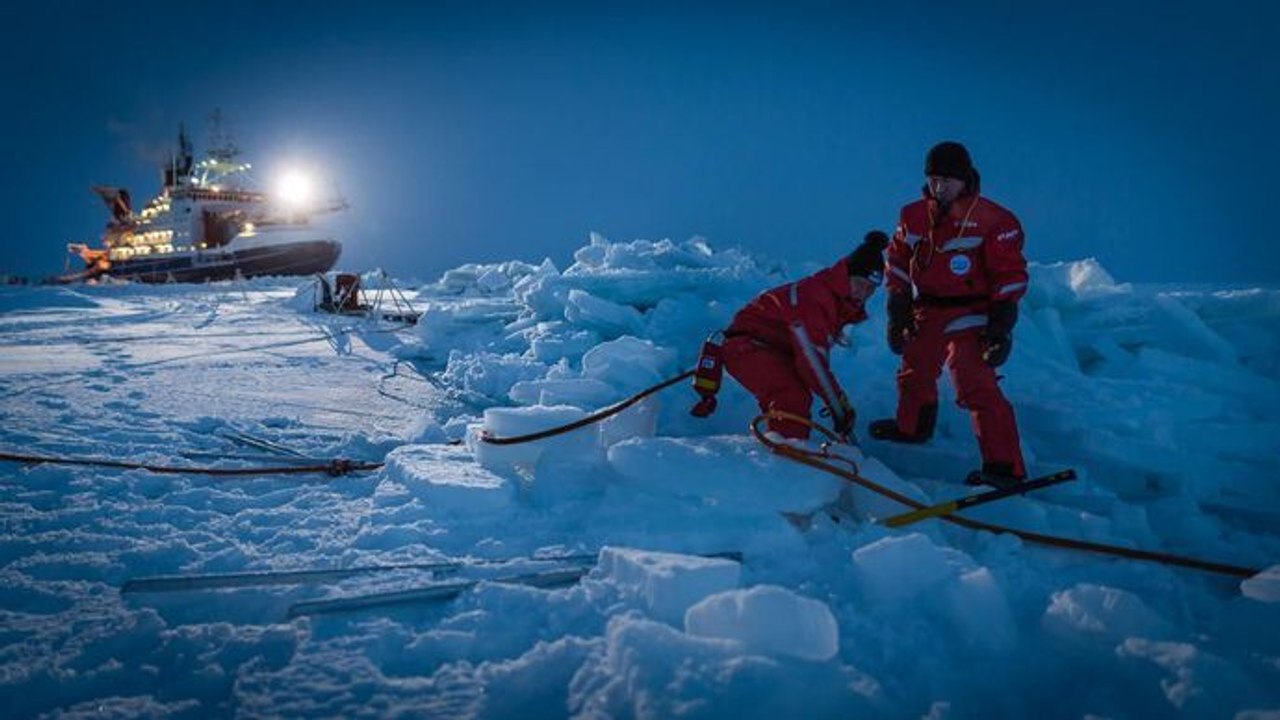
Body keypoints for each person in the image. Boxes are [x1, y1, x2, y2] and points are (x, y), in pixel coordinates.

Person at [868, 141, 1029, 488]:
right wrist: (898, 309)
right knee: (915, 367)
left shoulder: (996, 220)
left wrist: (1001, 326)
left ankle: (1004, 467)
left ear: (965, 179)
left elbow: (1010, 274)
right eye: (933, 179)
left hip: (973, 309)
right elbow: (896, 261)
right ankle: (912, 428)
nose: (939, 188)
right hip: (928, 307)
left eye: (947, 180)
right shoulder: (912, 215)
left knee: (972, 378)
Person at [690, 231, 888, 442]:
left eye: (870, 289)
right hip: (747, 347)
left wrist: (837, 403)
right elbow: (812, 361)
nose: (863, 293)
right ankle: (783, 455)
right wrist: (837, 403)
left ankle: (781, 444)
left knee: (793, 397)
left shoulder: (833, 303)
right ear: (845, 275)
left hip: (767, 350)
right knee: (790, 395)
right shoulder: (815, 297)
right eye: (860, 284)